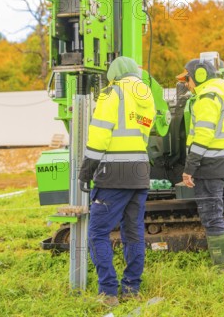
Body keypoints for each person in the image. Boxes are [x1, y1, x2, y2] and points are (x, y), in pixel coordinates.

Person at [79, 56, 156, 306]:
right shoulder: (147, 96)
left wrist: (86, 171)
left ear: (115, 75)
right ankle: (132, 288)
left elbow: (99, 134)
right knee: (133, 233)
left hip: (113, 174)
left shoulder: (112, 93)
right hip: (140, 172)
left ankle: (108, 292)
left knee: (98, 232)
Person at [176, 58, 224, 272]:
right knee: (218, 213)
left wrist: (189, 169)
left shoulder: (206, 99)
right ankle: (222, 265)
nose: (187, 84)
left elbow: (203, 136)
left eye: (187, 79)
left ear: (199, 76)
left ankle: (221, 269)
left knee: (211, 216)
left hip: (209, 166)